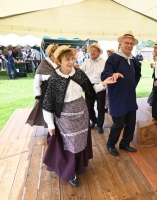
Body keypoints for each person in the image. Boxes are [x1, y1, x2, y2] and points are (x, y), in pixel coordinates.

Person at [41, 45, 118, 187]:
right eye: (67, 59)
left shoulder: (78, 73)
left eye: (72, 58)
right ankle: (71, 172)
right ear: (59, 61)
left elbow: (90, 89)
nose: (71, 62)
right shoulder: (54, 79)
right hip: (65, 118)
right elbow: (47, 104)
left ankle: (78, 165)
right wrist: (51, 124)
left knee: (80, 142)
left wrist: (104, 83)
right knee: (71, 145)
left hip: (82, 114)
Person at [101, 30, 141, 156]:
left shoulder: (133, 59)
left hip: (130, 96)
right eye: (126, 43)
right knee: (119, 123)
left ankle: (125, 143)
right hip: (117, 97)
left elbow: (138, 74)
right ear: (121, 43)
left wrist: (132, 85)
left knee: (130, 122)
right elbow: (104, 75)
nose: (129, 45)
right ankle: (111, 144)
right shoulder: (114, 58)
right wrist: (113, 75)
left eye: (131, 43)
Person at [26, 44, 59, 127]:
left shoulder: (60, 62)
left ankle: (58, 128)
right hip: (47, 92)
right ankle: (51, 129)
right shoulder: (44, 64)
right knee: (49, 112)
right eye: (57, 52)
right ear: (51, 53)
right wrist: (38, 95)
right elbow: (37, 82)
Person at [80, 43, 107, 133]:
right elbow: (80, 72)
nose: (92, 52)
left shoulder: (104, 62)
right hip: (89, 86)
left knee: (100, 107)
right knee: (88, 107)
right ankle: (94, 120)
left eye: (94, 51)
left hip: (100, 86)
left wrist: (105, 85)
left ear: (99, 52)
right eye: (91, 51)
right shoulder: (86, 62)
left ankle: (100, 125)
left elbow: (108, 74)